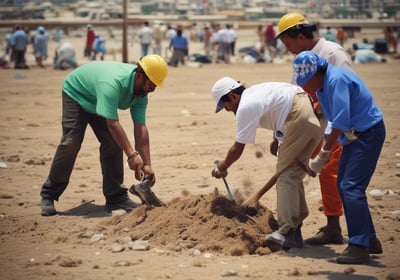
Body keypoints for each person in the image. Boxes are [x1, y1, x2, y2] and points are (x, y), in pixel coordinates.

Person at [40, 55, 168, 216]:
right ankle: (48, 195)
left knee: (113, 143)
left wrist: (147, 164)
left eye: (156, 85)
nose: (153, 89)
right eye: (151, 84)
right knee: (71, 142)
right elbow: (113, 124)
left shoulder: (141, 93)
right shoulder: (112, 84)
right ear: (140, 75)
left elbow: (140, 127)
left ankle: (116, 197)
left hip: (100, 99)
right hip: (78, 93)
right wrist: (132, 155)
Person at [292, 51, 385, 264]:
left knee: (351, 187)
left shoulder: (335, 80)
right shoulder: (322, 86)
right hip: (352, 137)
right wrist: (320, 153)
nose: (305, 87)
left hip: (367, 133)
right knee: (343, 185)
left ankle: (359, 247)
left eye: (307, 82)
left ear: (317, 72)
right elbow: (333, 122)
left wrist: (323, 154)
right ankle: (369, 239)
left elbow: (341, 121)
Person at [210, 77, 322, 250]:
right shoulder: (256, 91)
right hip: (311, 113)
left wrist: (222, 167)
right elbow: (282, 104)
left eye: (225, 105)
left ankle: (286, 232)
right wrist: (277, 137)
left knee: (285, 178)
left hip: (299, 117)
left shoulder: (245, 106)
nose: (226, 110)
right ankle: (295, 231)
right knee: (293, 174)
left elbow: (237, 148)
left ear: (232, 96)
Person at [275, 12, 353, 246]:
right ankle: (294, 225)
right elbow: (293, 94)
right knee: (294, 166)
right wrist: (279, 132)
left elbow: (347, 89)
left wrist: (320, 106)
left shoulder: (332, 53)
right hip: (308, 125)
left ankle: (333, 227)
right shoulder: (301, 57)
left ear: (300, 36)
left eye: (289, 44)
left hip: (334, 126)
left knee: (330, 173)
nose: (289, 49)